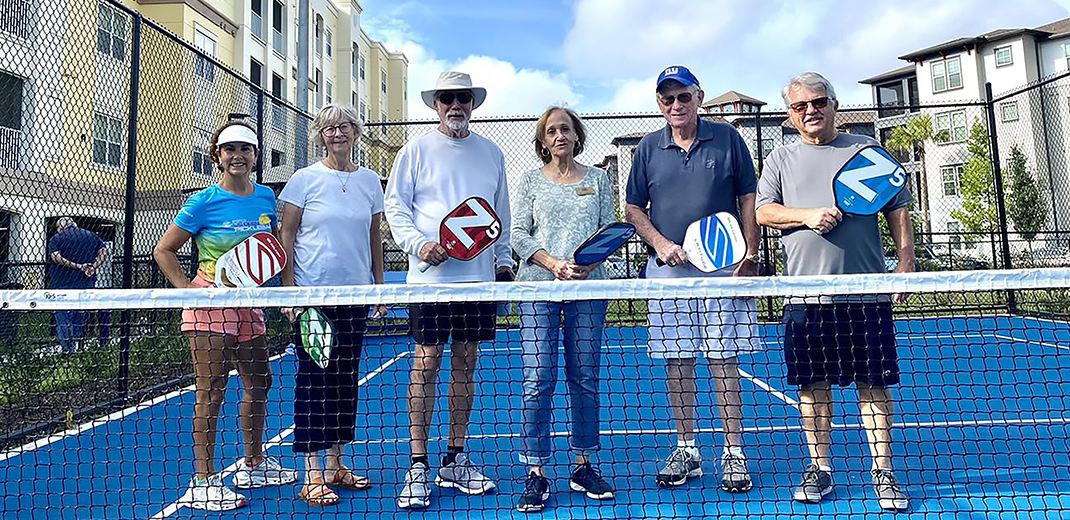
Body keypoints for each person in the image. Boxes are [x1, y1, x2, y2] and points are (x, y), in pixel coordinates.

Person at [755, 71, 914, 511]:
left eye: (818, 102)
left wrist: (905, 263)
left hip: (866, 294)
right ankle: (819, 467)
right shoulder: (779, 160)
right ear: (790, 113)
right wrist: (806, 215)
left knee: (874, 385)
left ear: (834, 104)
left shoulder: (867, 151)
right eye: (800, 105)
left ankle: (883, 472)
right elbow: (765, 212)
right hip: (806, 298)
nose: (811, 110)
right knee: (812, 385)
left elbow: (898, 209)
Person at [624, 65, 761, 492]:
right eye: (668, 99)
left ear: (699, 97)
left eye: (683, 96)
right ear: (659, 104)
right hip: (669, 273)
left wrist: (751, 253)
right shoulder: (647, 148)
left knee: (724, 360)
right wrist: (662, 243)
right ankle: (687, 448)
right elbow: (632, 209)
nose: (676, 105)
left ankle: (734, 453)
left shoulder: (728, 139)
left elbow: (748, 200)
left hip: (724, 269)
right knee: (678, 360)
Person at [384, 70, 514, 510]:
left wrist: (502, 261)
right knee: (427, 364)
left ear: (472, 103)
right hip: (430, 281)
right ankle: (418, 464)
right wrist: (419, 244)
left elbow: (502, 213)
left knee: (466, 364)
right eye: (447, 98)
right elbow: (394, 206)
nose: (455, 104)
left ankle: (454, 459)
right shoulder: (415, 150)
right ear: (435, 104)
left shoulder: (491, 152)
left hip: (477, 280)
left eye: (462, 97)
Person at [154, 121, 297, 511]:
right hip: (210, 304)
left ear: (255, 157)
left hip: (248, 303)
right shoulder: (203, 201)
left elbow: (271, 249)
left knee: (261, 382)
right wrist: (189, 290)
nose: (238, 156)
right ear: (217, 155)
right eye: (229, 149)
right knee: (211, 389)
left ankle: (253, 464)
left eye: (245, 150)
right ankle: (203, 480)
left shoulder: (266, 197)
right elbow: (164, 250)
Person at [278, 104, 386, 507]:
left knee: (345, 380)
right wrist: (291, 293)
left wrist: (378, 289)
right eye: (328, 128)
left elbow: (374, 237)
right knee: (314, 383)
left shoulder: (370, 181)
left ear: (355, 131)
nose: (336, 133)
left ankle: (337, 466)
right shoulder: (304, 180)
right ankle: (311, 475)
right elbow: (285, 235)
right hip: (312, 301)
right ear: (320, 136)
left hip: (356, 298)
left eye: (343, 126)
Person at [510, 106, 616, 513]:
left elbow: (610, 229)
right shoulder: (530, 181)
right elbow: (518, 232)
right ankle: (535, 472)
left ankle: (583, 464)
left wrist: (587, 265)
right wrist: (553, 264)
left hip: (589, 291)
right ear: (542, 140)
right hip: (538, 289)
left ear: (577, 136)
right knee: (538, 379)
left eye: (565, 129)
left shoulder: (599, 179)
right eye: (551, 131)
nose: (559, 136)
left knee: (584, 377)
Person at [47, 217, 108, 354]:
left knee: (63, 315)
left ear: (59, 228)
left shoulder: (57, 238)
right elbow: (104, 252)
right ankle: (75, 343)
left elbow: (56, 257)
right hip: (85, 283)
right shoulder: (90, 235)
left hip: (62, 282)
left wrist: (77, 266)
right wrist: (93, 266)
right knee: (79, 314)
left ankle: (66, 348)